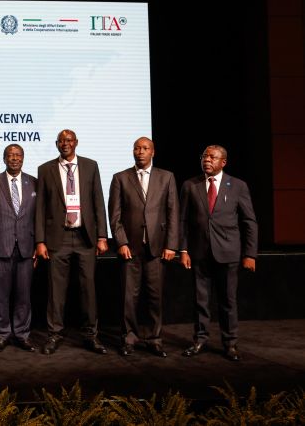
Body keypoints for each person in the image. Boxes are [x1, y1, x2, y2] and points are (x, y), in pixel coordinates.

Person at [179, 145, 258, 361]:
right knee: (200, 300)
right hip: (199, 252)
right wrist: (183, 249)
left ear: (223, 162)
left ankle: (230, 343)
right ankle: (200, 339)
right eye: (204, 156)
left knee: (228, 301)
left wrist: (250, 254)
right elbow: (183, 221)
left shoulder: (238, 186)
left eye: (212, 157)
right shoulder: (190, 185)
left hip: (228, 252)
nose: (207, 160)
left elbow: (249, 221)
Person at [35, 129, 109, 355]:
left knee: (88, 290)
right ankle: (54, 335)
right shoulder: (45, 169)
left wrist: (102, 236)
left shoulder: (90, 165)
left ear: (76, 142)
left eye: (69, 140)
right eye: (61, 141)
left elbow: (98, 201)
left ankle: (91, 336)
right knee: (56, 291)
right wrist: (40, 240)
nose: (65, 143)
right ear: (56, 144)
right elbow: (40, 208)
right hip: (58, 238)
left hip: (85, 237)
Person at [108, 137, 178, 357]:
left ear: (153, 152)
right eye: (137, 148)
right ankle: (129, 338)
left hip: (158, 249)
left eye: (145, 148)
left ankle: (154, 339)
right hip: (130, 249)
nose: (140, 152)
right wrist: (121, 242)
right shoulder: (120, 178)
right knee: (129, 297)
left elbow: (173, 213)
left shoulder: (166, 177)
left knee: (155, 297)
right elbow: (115, 215)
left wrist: (172, 245)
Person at [0, 144, 38, 353]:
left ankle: (22, 335)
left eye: (18, 155)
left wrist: (40, 243)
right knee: (1, 294)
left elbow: (39, 217)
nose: (14, 159)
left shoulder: (34, 182)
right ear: (4, 158)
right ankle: (3, 333)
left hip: (27, 246)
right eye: (10, 155)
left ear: (23, 158)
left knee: (24, 295)